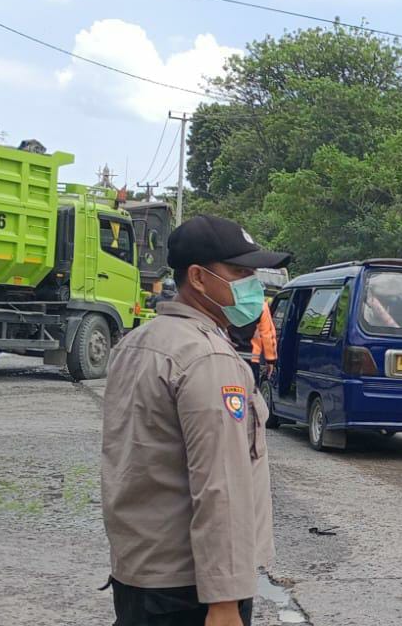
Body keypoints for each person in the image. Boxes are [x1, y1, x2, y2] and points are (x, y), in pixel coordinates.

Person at [101, 215, 290, 626]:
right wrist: (225, 601)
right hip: (192, 591)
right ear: (199, 278)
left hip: (139, 574)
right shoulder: (207, 358)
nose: (252, 286)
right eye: (239, 273)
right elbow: (220, 484)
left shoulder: (137, 343)